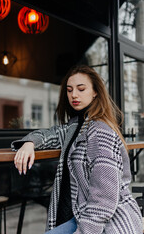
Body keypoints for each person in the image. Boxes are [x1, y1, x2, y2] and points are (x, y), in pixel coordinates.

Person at [11, 65, 143, 234]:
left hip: (111, 221)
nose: (74, 95)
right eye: (69, 90)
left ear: (95, 92)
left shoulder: (100, 131)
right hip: (81, 213)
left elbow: (104, 198)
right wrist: (29, 143)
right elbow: (49, 134)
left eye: (81, 89)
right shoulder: (75, 126)